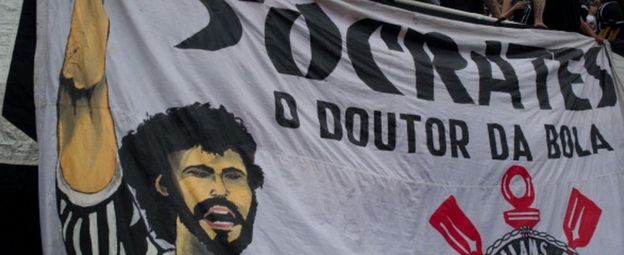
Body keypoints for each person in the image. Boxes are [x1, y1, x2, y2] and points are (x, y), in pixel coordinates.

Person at [56, 0, 264, 254]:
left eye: (233, 176)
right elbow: (83, 94)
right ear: (163, 185)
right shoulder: (117, 245)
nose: (220, 190)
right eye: (199, 173)